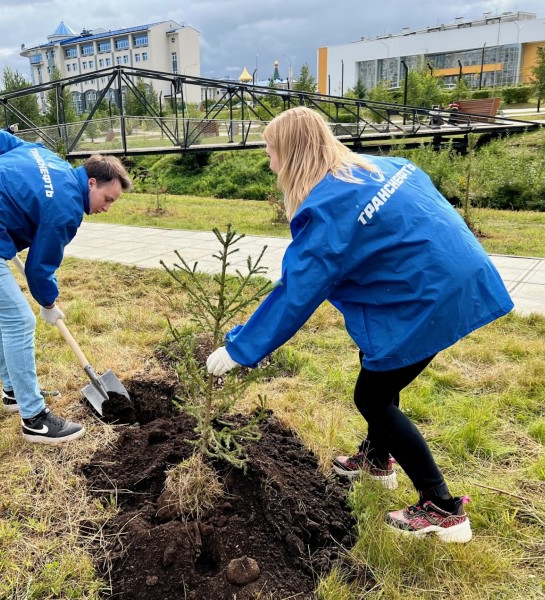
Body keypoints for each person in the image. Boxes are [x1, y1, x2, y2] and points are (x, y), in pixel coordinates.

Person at [205, 106, 513, 543]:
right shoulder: (387, 167)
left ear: (290, 154)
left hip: (425, 299)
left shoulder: (328, 211)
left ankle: (442, 509)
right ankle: (374, 460)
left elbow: (296, 293)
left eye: (271, 152)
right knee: (381, 369)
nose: (269, 163)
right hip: (457, 278)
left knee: (371, 397)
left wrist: (240, 348)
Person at [0, 129, 132, 444]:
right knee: (19, 319)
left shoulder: (47, 156)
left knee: (5, 316)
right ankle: (35, 419)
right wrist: (48, 304)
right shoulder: (65, 208)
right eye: (108, 199)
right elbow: (40, 268)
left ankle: (12, 393)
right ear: (92, 182)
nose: (106, 208)